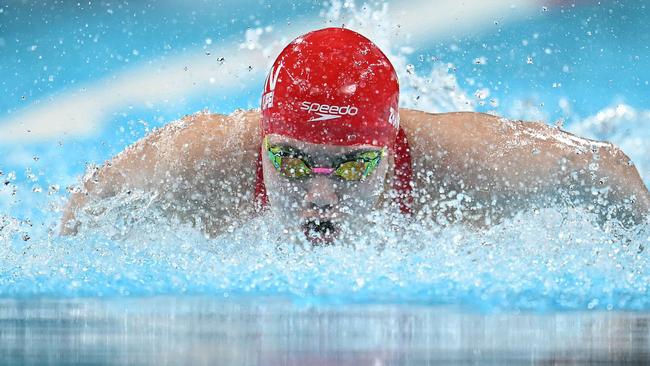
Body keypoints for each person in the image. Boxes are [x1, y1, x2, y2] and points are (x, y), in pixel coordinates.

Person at [61, 27, 650, 243]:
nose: (319, 195)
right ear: (263, 141)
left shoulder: (472, 164)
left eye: (350, 166)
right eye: (290, 159)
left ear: (389, 152)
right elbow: (83, 211)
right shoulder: (197, 160)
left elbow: (610, 171)